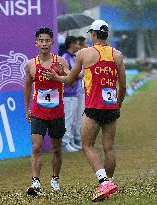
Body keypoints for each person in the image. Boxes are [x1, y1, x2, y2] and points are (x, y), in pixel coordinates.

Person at [44, 20, 126, 202]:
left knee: (87, 145)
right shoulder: (118, 55)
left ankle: (104, 182)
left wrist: (57, 76)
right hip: (111, 106)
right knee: (109, 147)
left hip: (93, 106)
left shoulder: (84, 53)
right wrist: (117, 107)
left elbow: (71, 79)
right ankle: (109, 183)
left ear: (93, 34)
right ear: (107, 35)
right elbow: (124, 87)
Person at [24, 27, 69, 196]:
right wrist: (26, 108)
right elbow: (27, 86)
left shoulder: (60, 62)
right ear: (36, 43)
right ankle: (35, 181)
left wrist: (58, 77)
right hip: (38, 111)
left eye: (47, 40)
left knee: (56, 149)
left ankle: (55, 179)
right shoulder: (30, 64)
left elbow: (72, 79)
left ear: (52, 42)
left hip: (57, 112)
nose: (44, 44)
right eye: (41, 41)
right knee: (36, 147)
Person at [61, 36, 83, 152]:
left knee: (73, 119)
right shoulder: (65, 58)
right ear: (71, 44)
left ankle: (70, 141)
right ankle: (65, 143)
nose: (79, 46)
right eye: (77, 44)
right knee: (68, 119)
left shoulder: (73, 57)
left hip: (74, 93)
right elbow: (69, 74)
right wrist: (79, 75)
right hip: (68, 94)